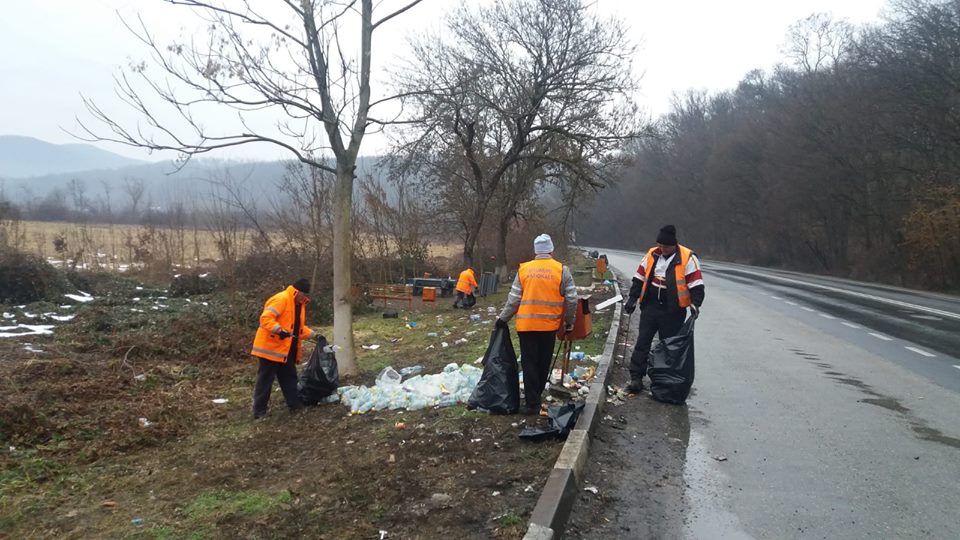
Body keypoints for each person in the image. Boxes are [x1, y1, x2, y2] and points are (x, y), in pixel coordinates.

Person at [497, 234, 577, 415]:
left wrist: (502, 319)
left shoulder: (524, 270)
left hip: (526, 327)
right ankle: (536, 395)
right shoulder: (561, 270)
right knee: (543, 362)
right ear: (551, 250)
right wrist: (569, 322)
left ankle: (532, 402)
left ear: (535, 251)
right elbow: (572, 299)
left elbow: (513, 300)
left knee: (529, 363)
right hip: (548, 327)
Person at [623, 225, 704, 393]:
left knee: (668, 347)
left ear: (674, 245)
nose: (662, 249)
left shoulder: (687, 258)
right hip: (650, 305)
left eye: (665, 247)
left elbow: (696, 284)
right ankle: (636, 378)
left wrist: (695, 304)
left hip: (672, 310)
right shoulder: (652, 254)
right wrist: (632, 299)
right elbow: (639, 277)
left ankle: (663, 382)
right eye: (660, 246)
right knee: (642, 342)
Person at [250, 278, 316, 419]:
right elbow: (266, 319)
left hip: (285, 349)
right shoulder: (281, 299)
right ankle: (259, 411)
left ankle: (295, 405)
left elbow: (297, 328)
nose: (306, 298)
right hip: (270, 348)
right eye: (304, 295)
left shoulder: (299, 304)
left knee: (289, 378)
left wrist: (314, 335)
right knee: (266, 380)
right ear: (298, 292)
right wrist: (279, 330)